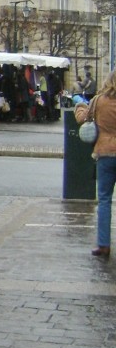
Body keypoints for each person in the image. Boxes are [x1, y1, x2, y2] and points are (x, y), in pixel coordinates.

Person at [75, 69, 116, 259]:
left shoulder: (99, 101)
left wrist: (80, 105)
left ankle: (103, 245)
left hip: (105, 153)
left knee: (105, 200)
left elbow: (83, 118)